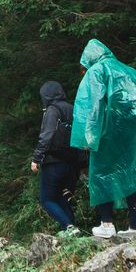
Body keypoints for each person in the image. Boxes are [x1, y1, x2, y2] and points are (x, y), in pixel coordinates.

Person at [71, 39, 136, 239]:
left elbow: (94, 107)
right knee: (132, 173)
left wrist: (89, 138)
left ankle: (106, 223)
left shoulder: (97, 71)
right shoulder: (128, 70)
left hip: (109, 132)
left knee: (102, 173)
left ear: (88, 59)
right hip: (135, 133)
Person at [30, 81, 84, 236]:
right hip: (73, 163)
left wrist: (37, 158)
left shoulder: (52, 110)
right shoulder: (73, 109)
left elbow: (46, 136)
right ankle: (73, 232)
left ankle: (68, 227)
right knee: (64, 198)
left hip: (54, 162)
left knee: (47, 199)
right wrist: (83, 163)